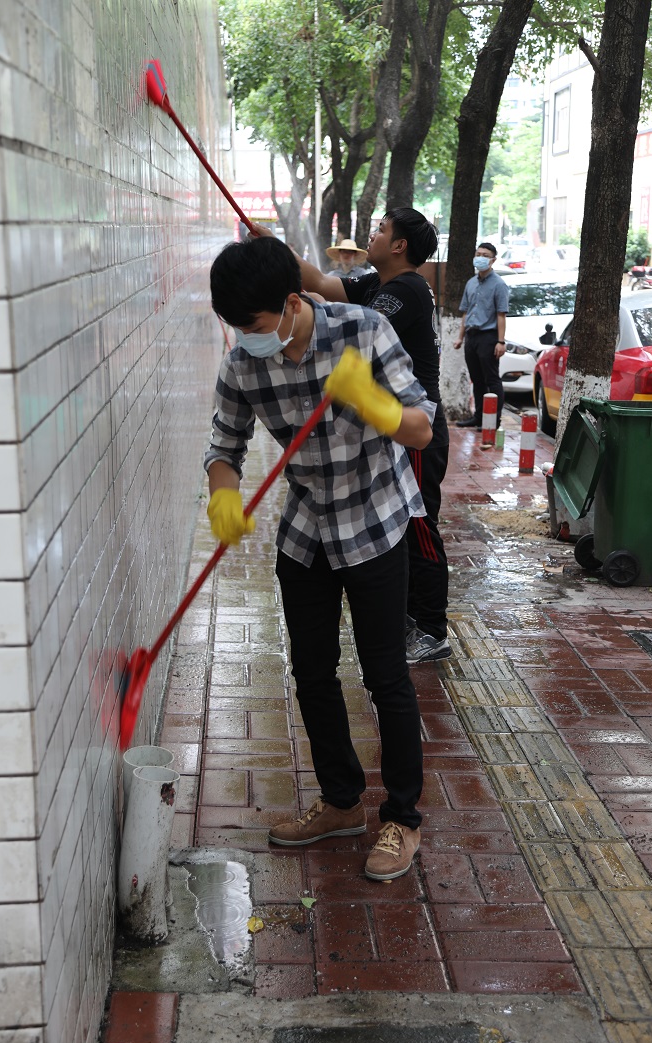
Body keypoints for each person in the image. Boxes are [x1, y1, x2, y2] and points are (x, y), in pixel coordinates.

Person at [204, 235, 437, 880]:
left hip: (374, 518)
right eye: (237, 328)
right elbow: (224, 447)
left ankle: (402, 817)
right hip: (307, 527)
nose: (247, 339)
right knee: (311, 670)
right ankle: (341, 801)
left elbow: (422, 428)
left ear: (290, 302)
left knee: (384, 674)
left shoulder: (363, 331)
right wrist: (223, 494)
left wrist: (373, 402)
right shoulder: (244, 364)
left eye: (253, 325)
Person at [256, 209, 450, 665]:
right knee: (398, 525)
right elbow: (322, 283)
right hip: (387, 421)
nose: (372, 234)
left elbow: (353, 330)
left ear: (400, 245)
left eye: (381, 229)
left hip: (413, 425)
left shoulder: (405, 290)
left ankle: (431, 629)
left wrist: (307, 310)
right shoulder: (378, 282)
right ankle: (407, 620)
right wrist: (274, 246)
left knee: (417, 525)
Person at [453, 242, 509, 430]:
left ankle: (494, 421)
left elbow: (501, 315)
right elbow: (466, 312)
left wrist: (501, 342)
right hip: (471, 337)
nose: (480, 258)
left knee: (492, 380)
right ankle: (478, 417)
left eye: (485, 255)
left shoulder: (499, 284)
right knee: (476, 379)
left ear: (493, 260)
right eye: (478, 254)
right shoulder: (471, 283)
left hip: (488, 337)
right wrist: (460, 337)